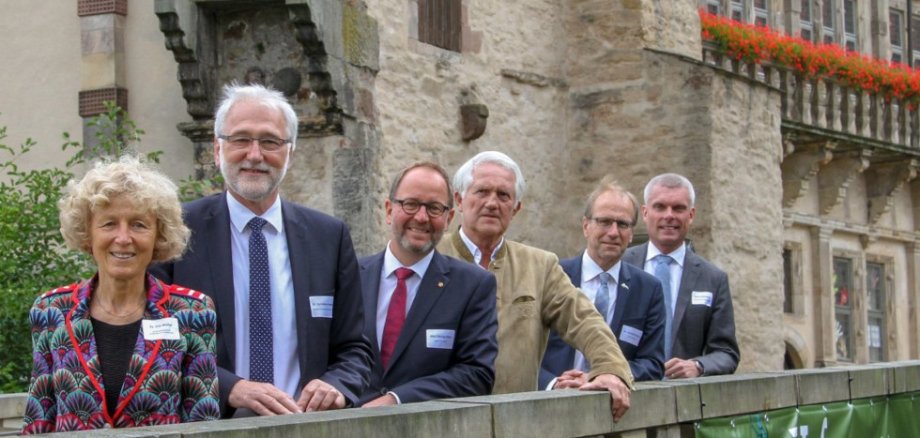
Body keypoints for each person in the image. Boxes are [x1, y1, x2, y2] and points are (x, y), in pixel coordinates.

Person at [150, 83, 372, 417]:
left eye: (270, 141)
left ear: (291, 153)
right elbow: (154, 340)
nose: (255, 154)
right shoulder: (176, 231)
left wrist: (337, 384)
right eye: (240, 139)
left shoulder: (329, 237)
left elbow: (355, 347)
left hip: (305, 427)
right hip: (205, 425)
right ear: (217, 149)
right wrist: (231, 387)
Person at [21, 157, 219, 434]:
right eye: (109, 224)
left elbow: (204, 425)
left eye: (139, 224)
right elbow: (38, 422)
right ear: (87, 233)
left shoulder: (192, 312)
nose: (124, 238)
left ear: (158, 235)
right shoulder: (52, 310)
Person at [437, 151, 634, 422]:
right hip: (441, 422)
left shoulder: (539, 266)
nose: (492, 203)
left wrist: (610, 369)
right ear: (459, 200)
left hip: (515, 423)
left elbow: (583, 319)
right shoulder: (433, 258)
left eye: (504, 195)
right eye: (482, 191)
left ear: (516, 208)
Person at [358, 162, 498, 406]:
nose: (421, 217)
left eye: (434, 208)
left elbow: (477, 374)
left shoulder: (473, 285)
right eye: (410, 204)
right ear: (389, 210)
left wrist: (396, 399)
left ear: (448, 218)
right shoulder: (351, 277)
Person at [540, 178, 665, 387]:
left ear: (632, 234)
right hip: (549, 400)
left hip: (613, 406)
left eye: (623, 224)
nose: (613, 232)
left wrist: (607, 375)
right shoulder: (551, 275)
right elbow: (524, 350)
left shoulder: (648, 289)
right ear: (586, 226)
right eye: (605, 222)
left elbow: (652, 364)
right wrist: (553, 383)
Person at [622, 173, 740, 378]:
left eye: (678, 208)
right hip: (625, 395)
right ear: (645, 212)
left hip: (685, 401)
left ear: (691, 215)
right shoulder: (621, 266)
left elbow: (726, 353)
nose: (669, 215)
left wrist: (698, 365)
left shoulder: (713, 278)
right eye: (660, 207)